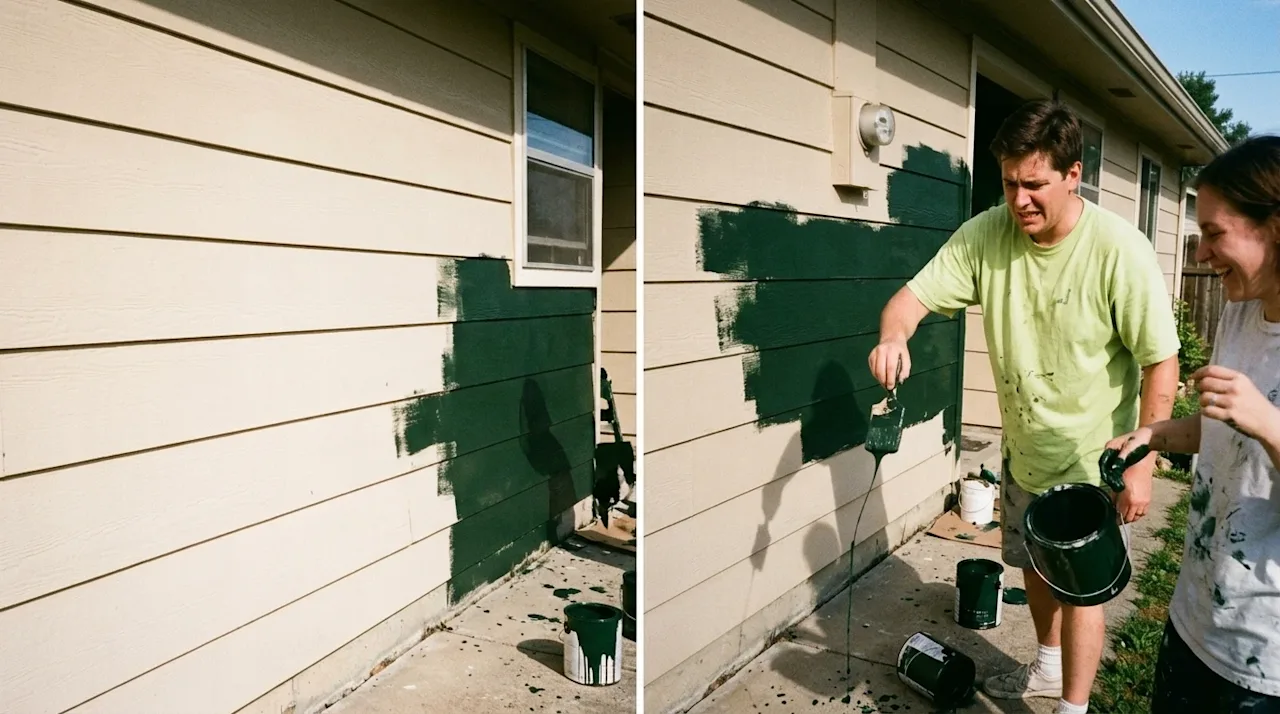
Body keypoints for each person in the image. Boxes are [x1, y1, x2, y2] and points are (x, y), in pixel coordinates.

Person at [867, 99, 1180, 714]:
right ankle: (1046, 664)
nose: (1019, 200)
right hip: (1027, 454)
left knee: (1083, 593)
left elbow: (1160, 361)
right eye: (1010, 183)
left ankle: (1073, 708)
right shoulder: (987, 234)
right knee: (1034, 569)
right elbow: (910, 300)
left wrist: (1142, 458)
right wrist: (893, 336)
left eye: (1034, 184)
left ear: (1073, 174)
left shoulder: (1121, 250)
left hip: (1094, 461)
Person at [1105, 135, 1280, 713]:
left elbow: (1256, 426)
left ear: (1275, 227)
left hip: (1263, 656)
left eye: (1215, 232)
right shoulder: (1240, 311)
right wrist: (1153, 437)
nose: (1201, 254)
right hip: (1197, 615)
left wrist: (1269, 424)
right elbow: (1225, 433)